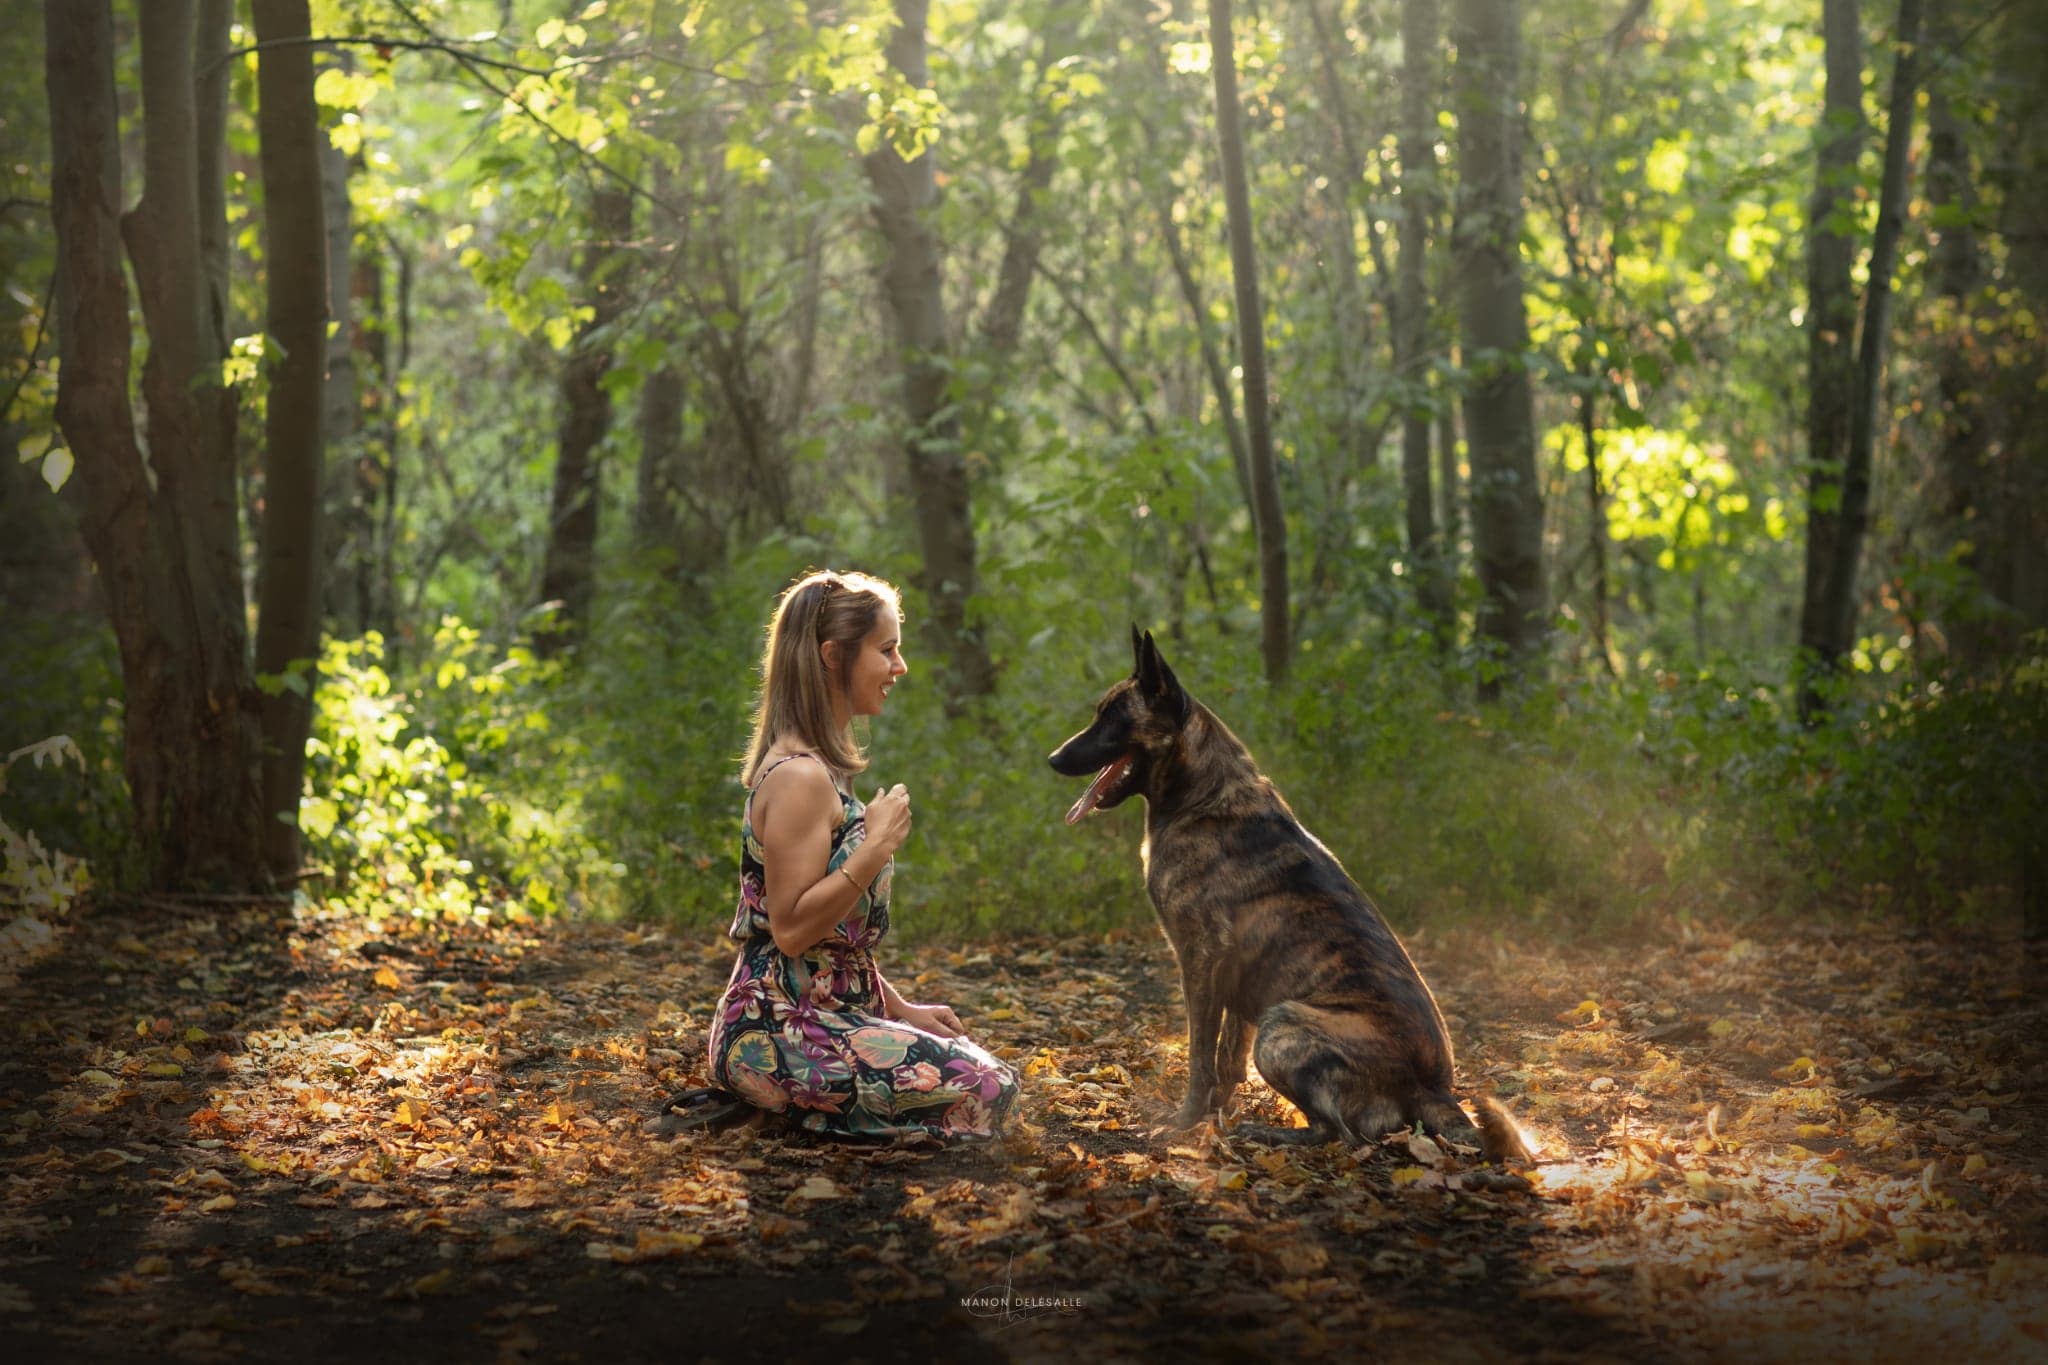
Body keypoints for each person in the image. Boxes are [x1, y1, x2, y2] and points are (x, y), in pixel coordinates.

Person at [699, 569, 1019, 1140]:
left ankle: (807, 1105)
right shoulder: (799, 778)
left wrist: (901, 1010)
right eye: (887, 650)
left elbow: (832, 944)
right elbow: (793, 931)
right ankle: (777, 1098)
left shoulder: (825, 770)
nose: (900, 667)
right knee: (986, 1089)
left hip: (834, 1013)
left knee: (987, 1073)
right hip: (775, 1030)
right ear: (832, 655)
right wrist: (873, 848)